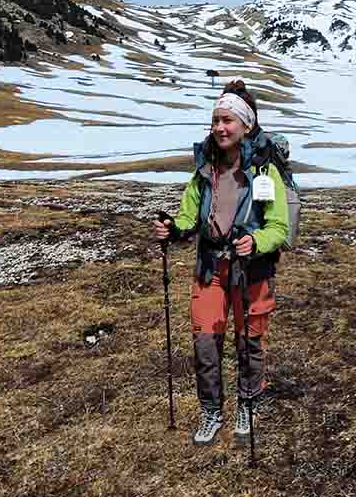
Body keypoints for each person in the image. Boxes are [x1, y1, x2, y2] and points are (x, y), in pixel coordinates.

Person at [153, 80, 289, 446]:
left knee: (250, 341)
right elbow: (187, 217)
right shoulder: (203, 171)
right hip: (210, 268)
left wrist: (257, 240)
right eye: (215, 120)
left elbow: (279, 226)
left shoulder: (264, 172)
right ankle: (211, 411)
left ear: (245, 125)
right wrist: (173, 229)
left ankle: (247, 403)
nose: (219, 128)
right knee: (205, 342)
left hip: (251, 270)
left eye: (227, 120)